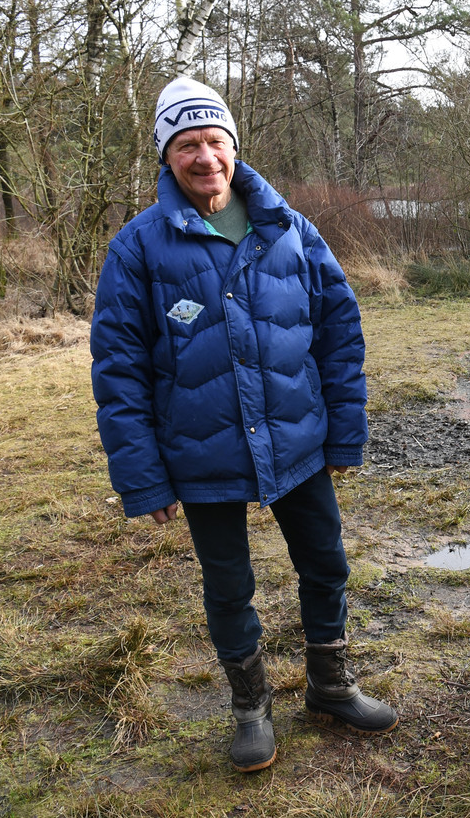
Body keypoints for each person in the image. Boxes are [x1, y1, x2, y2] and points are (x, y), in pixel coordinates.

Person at [90, 77, 397, 773]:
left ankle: (331, 685)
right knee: (228, 585)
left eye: (214, 142)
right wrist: (143, 479)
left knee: (326, 563)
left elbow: (339, 335)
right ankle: (250, 710)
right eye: (187, 144)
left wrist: (343, 433)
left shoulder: (290, 229)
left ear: (234, 148)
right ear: (167, 157)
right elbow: (118, 370)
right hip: (201, 455)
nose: (204, 157)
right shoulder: (138, 247)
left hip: (297, 441)